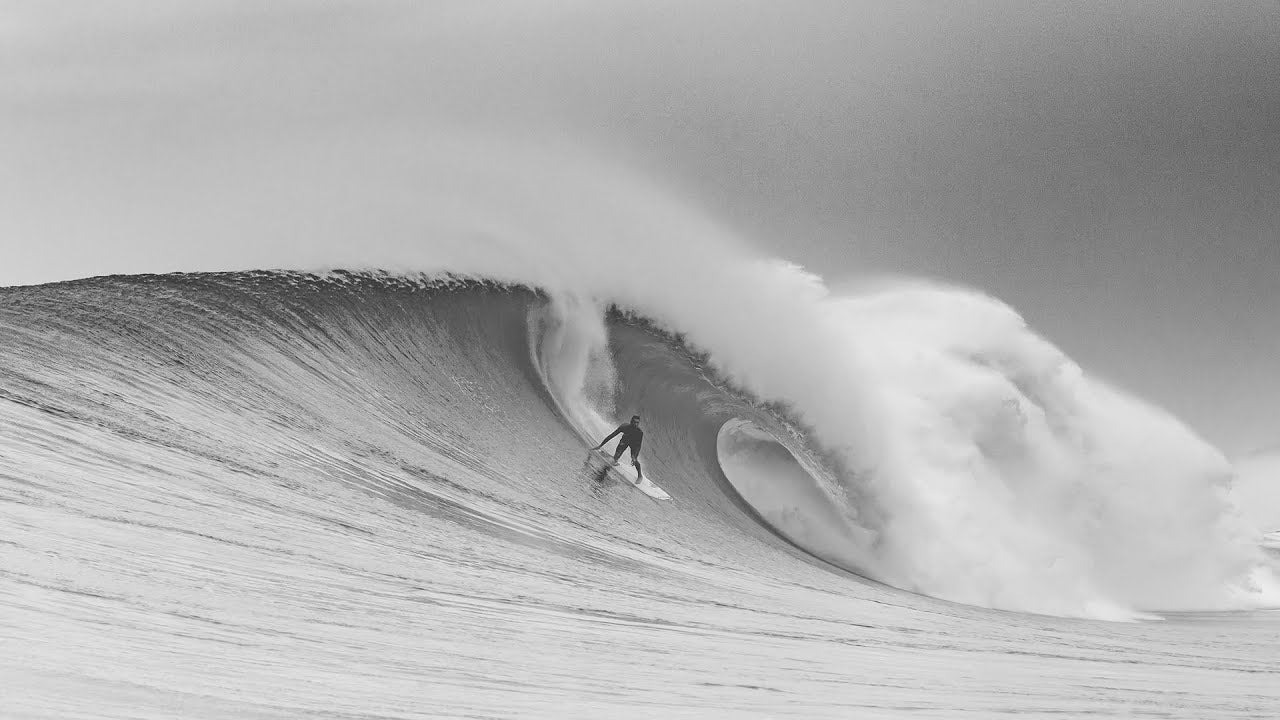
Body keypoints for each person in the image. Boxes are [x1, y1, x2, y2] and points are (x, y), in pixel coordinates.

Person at [594, 415, 644, 480]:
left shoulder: (640, 432)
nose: (636, 424)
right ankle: (613, 461)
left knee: (634, 459)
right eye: (634, 422)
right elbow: (611, 436)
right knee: (615, 458)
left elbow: (639, 446)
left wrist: (635, 457)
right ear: (631, 421)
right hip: (625, 440)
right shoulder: (624, 427)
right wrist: (600, 445)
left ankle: (640, 475)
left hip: (634, 444)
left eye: (637, 423)